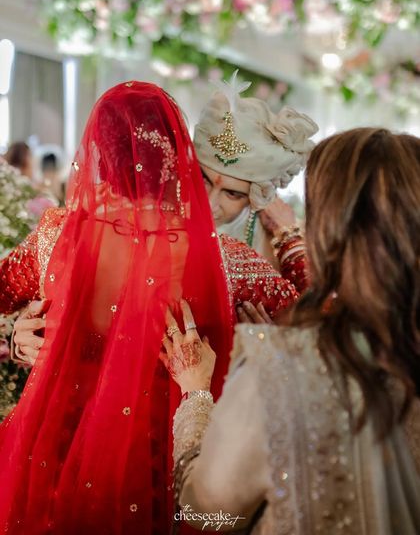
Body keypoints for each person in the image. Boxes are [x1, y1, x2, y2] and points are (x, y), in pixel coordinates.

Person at [0, 81, 298, 534]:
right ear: (179, 156)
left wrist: (13, 331)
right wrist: (293, 241)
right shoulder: (226, 263)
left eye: (233, 192)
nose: (216, 202)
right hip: (163, 473)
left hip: (47, 458)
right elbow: (333, 321)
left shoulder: (52, 238)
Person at [163, 128, 420, 533]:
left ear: (329, 227)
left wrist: (196, 394)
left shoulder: (288, 365)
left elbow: (207, 513)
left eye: (232, 192)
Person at [194, 70, 318, 290]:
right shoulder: (154, 217)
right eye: (203, 179)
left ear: (258, 197)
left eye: (232, 194)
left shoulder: (279, 245)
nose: (209, 203)